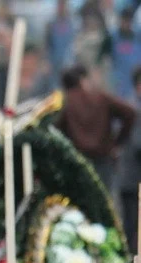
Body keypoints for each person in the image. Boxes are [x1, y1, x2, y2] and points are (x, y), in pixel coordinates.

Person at [57, 63, 137, 191]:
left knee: (82, 200)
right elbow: (130, 113)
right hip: (104, 158)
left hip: (77, 160)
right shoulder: (101, 97)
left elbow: (56, 129)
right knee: (105, 200)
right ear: (83, 80)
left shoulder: (65, 102)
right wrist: (117, 142)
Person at [119, 66, 141, 251]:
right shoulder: (133, 108)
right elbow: (137, 143)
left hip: (131, 179)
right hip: (133, 180)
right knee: (132, 228)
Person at [111, 10, 141, 98]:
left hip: (137, 78)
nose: (127, 24)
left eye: (129, 21)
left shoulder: (138, 35)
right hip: (120, 79)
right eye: (125, 21)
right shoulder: (112, 37)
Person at [46, 0, 79, 80]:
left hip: (69, 63)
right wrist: (47, 61)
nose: (61, 8)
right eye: (59, 6)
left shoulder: (73, 24)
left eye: (63, 6)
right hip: (55, 62)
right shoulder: (51, 24)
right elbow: (47, 44)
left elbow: (76, 43)